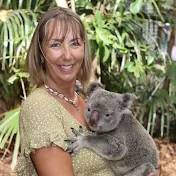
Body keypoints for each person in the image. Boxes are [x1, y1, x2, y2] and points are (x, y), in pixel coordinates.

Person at [15, 6, 114, 176]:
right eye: (56, 44)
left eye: (75, 43)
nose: (67, 55)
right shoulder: (40, 107)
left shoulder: (84, 99)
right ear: (40, 54)